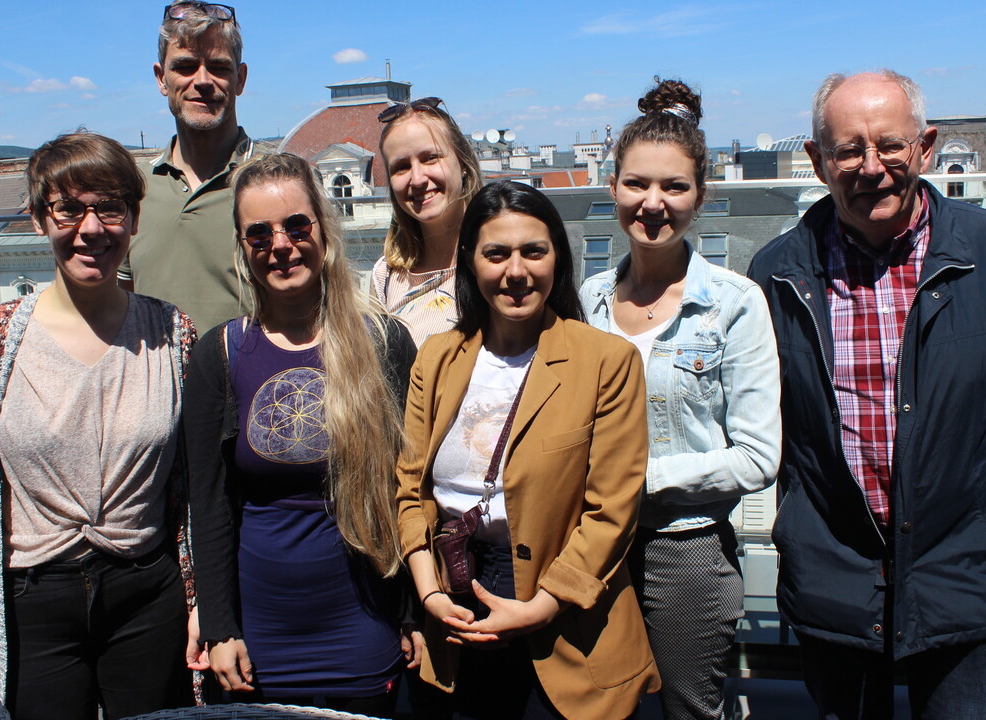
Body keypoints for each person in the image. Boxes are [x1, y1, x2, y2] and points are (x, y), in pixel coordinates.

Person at [746, 70, 986, 719]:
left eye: (890, 145)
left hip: (961, 571)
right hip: (836, 576)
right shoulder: (776, 272)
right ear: (817, 161)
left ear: (925, 148)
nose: (871, 167)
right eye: (848, 149)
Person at [0, 132, 198, 720]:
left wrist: (202, 604)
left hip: (148, 596)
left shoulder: (172, 334)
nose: (90, 229)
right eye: (69, 209)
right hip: (33, 603)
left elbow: (197, 490)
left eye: (110, 208)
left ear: (134, 219)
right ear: (39, 218)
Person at [397, 181, 661, 719]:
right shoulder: (437, 359)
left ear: (557, 258)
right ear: (470, 262)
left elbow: (612, 509)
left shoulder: (606, 362)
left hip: (565, 606)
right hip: (454, 594)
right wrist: (429, 594)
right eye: (496, 254)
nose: (516, 271)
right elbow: (409, 490)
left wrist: (542, 606)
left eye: (533, 252)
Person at [183, 153, 418, 716]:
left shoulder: (384, 343)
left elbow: (411, 489)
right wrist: (220, 627)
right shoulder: (220, 354)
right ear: (242, 247)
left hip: (364, 618)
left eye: (296, 226)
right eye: (259, 234)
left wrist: (414, 610)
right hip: (259, 631)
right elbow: (210, 506)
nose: (280, 245)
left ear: (323, 230)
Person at [580, 78, 781, 720]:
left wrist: (639, 479)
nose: (653, 203)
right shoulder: (588, 300)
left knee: (687, 709)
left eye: (674, 186)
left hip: (685, 548)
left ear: (701, 194)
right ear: (612, 186)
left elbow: (758, 456)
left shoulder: (734, 303)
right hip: (592, 543)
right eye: (636, 184)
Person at [120, 0, 253, 334]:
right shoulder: (131, 190)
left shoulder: (284, 181)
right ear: (161, 78)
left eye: (218, 67)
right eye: (185, 66)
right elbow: (118, 307)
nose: (203, 80)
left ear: (240, 79)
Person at [373, 97, 484, 346]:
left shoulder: (500, 259)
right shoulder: (386, 276)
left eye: (430, 158)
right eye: (401, 167)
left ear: (463, 162)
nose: (417, 179)